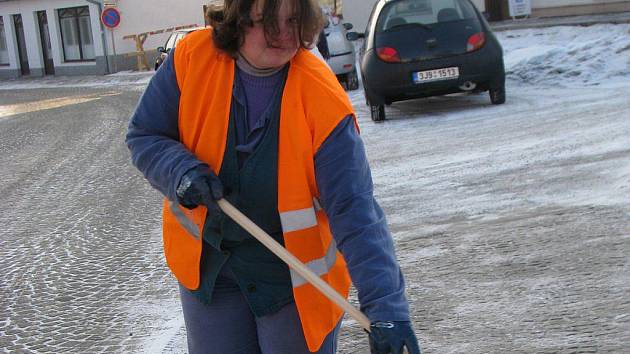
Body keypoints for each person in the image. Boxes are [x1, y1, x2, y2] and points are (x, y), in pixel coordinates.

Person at [126, 0, 421, 353]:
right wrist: (180, 171)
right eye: (265, 20)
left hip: (294, 280)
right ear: (237, 18)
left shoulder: (320, 98)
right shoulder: (192, 58)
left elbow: (354, 210)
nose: (283, 33)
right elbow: (145, 134)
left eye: (294, 19)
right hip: (211, 273)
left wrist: (386, 306)